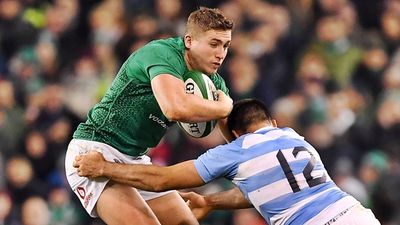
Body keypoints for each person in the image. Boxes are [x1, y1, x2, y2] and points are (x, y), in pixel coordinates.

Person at [73, 99, 381, 225]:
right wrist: (213, 203)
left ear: (234, 133)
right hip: (357, 215)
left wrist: (104, 168)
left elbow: (161, 180)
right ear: (271, 121)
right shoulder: (294, 137)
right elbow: (266, 188)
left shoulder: (237, 150)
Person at [65, 7, 234, 225]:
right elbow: (174, 108)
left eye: (226, 45)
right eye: (214, 44)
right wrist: (224, 108)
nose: (221, 53)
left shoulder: (214, 82)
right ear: (189, 41)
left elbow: (233, 135)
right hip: (95, 149)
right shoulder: (162, 53)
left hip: (135, 159)